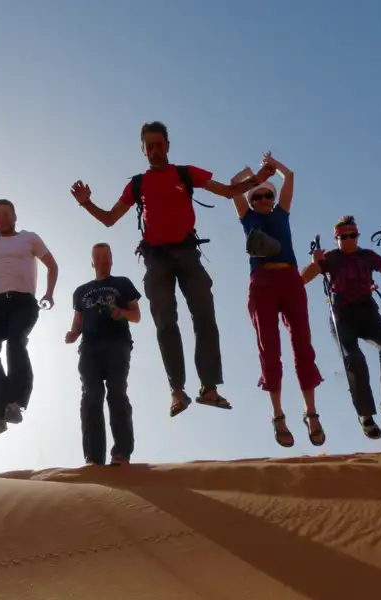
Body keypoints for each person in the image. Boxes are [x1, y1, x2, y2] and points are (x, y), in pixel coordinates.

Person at [69, 121, 276, 418]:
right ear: (143, 150)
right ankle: (177, 390)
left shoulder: (185, 173)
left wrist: (257, 179)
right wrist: (86, 203)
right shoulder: (138, 184)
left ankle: (209, 387)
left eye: (159, 145)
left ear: (168, 146)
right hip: (156, 258)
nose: (154, 151)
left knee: (204, 315)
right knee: (166, 322)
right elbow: (110, 218)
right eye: (148, 146)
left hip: (187, 252)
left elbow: (229, 192)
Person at [230, 155, 325, 448]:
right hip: (262, 282)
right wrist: (254, 174)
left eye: (266, 194)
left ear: (272, 197)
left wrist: (275, 165)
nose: (261, 198)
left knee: (303, 344)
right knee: (269, 347)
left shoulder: (282, 212)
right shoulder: (247, 217)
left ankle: (311, 412)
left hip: (290, 280)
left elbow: (291, 176)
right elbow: (235, 185)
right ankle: (278, 415)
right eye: (257, 194)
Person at [301, 216, 381, 440]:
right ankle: (365, 415)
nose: (349, 240)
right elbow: (302, 280)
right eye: (343, 237)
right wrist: (315, 262)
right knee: (354, 360)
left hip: (368, 311)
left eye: (353, 236)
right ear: (336, 238)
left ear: (357, 236)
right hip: (341, 315)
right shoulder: (329, 257)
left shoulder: (367, 256)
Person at [0, 199, 59, 442]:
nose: (0, 218)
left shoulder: (29, 238)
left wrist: (48, 293)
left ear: (14, 217)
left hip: (23, 303)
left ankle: (15, 403)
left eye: (5, 213)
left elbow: (52, 265)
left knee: (16, 342)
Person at [64, 242, 142, 466]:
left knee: (117, 393)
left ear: (112, 260)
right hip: (89, 348)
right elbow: (78, 320)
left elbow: (136, 315)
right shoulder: (81, 291)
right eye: (98, 258)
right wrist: (73, 333)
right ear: (92, 262)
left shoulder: (122, 283)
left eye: (106, 257)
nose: (102, 261)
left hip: (117, 344)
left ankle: (121, 453)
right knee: (91, 396)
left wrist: (120, 313)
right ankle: (93, 457)